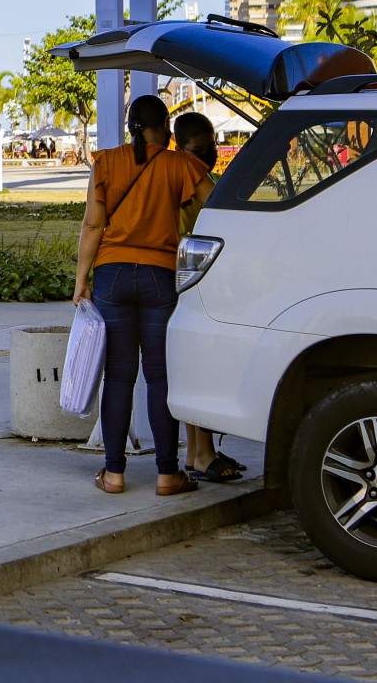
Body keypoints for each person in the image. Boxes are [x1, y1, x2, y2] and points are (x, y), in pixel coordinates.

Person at [75, 93, 214, 496]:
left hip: (113, 275)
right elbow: (216, 200)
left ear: (131, 126)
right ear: (165, 129)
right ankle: (168, 474)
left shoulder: (105, 162)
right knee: (160, 376)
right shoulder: (180, 164)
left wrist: (81, 279)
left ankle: (114, 474)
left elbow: (92, 226)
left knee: (118, 376)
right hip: (159, 276)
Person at [172, 111, 248, 485]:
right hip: (189, 282)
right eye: (199, 150)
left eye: (212, 147)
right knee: (197, 368)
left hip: (206, 281)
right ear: (179, 148)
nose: (210, 155)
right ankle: (201, 453)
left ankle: (200, 451)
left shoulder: (202, 179)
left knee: (201, 366)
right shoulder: (180, 184)